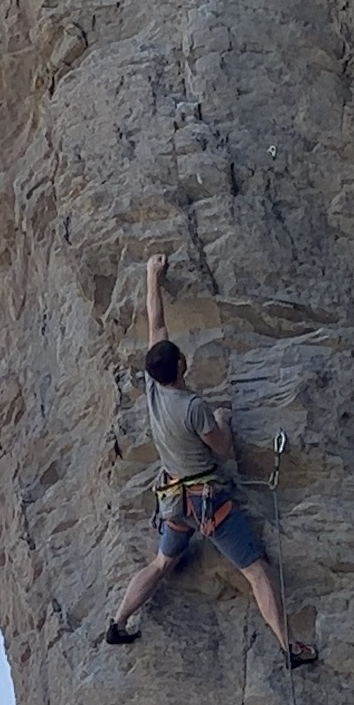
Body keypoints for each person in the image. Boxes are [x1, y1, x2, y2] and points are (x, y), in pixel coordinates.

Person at [106, 253, 316, 663]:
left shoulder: (152, 390)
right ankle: (290, 647)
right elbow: (222, 450)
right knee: (255, 571)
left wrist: (152, 276)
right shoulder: (192, 407)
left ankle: (118, 622)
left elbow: (156, 324)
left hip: (174, 502)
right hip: (207, 502)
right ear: (182, 366)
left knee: (162, 562)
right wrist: (224, 418)